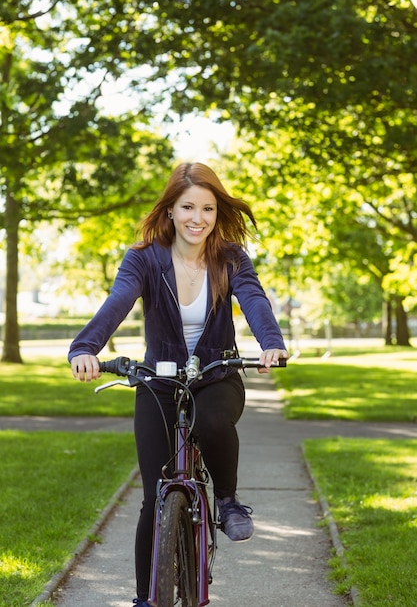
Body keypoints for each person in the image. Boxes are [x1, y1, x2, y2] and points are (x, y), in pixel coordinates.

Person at [68, 162, 288, 607]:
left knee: (210, 422)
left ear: (216, 212)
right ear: (170, 209)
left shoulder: (231, 258)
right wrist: (84, 348)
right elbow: (119, 302)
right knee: (154, 499)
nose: (198, 218)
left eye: (207, 208)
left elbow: (255, 300)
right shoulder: (144, 257)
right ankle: (145, 599)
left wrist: (271, 343)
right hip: (159, 382)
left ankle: (226, 501)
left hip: (217, 376)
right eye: (188, 206)